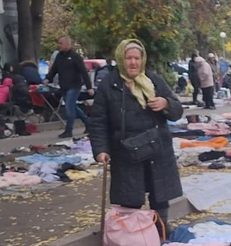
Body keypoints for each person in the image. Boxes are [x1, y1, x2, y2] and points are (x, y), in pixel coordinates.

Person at [89, 39, 184, 228]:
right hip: (126, 152)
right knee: (130, 196)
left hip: (156, 148)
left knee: (159, 195)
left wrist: (165, 104)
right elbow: (98, 122)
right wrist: (100, 150)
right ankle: (133, 235)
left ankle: (162, 230)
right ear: (120, 59)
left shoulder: (153, 80)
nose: (133, 63)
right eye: (128, 58)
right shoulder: (109, 85)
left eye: (137, 58)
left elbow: (177, 110)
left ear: (143, 60)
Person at [46, 36, 93, 138]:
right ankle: (88, 122)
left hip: (74, 85)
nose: (59, 45)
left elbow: (84, 72)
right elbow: (54, 69)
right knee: (73, 107)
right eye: (58, 43)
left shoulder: (75, 57)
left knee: (69, 107)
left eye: (61, 43)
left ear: (67, 44)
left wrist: (89, 87)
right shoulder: (59, 56)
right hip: (64, 86)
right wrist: (48, 79)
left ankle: (68, 130)